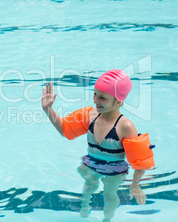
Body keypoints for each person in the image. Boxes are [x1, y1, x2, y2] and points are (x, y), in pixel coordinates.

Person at [42, 69, 154, 222]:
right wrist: (48, 109)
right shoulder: (90, 114)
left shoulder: (125, 126)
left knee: (109, 194)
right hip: (90, 164)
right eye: (95, 94)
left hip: (114, 171)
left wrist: (135, 185)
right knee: (88, 188)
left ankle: (107, 219)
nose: (95, 100)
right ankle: (83, 213)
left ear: (118, 102)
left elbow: (140, 162)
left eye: (102, 97)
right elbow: (65, 130)